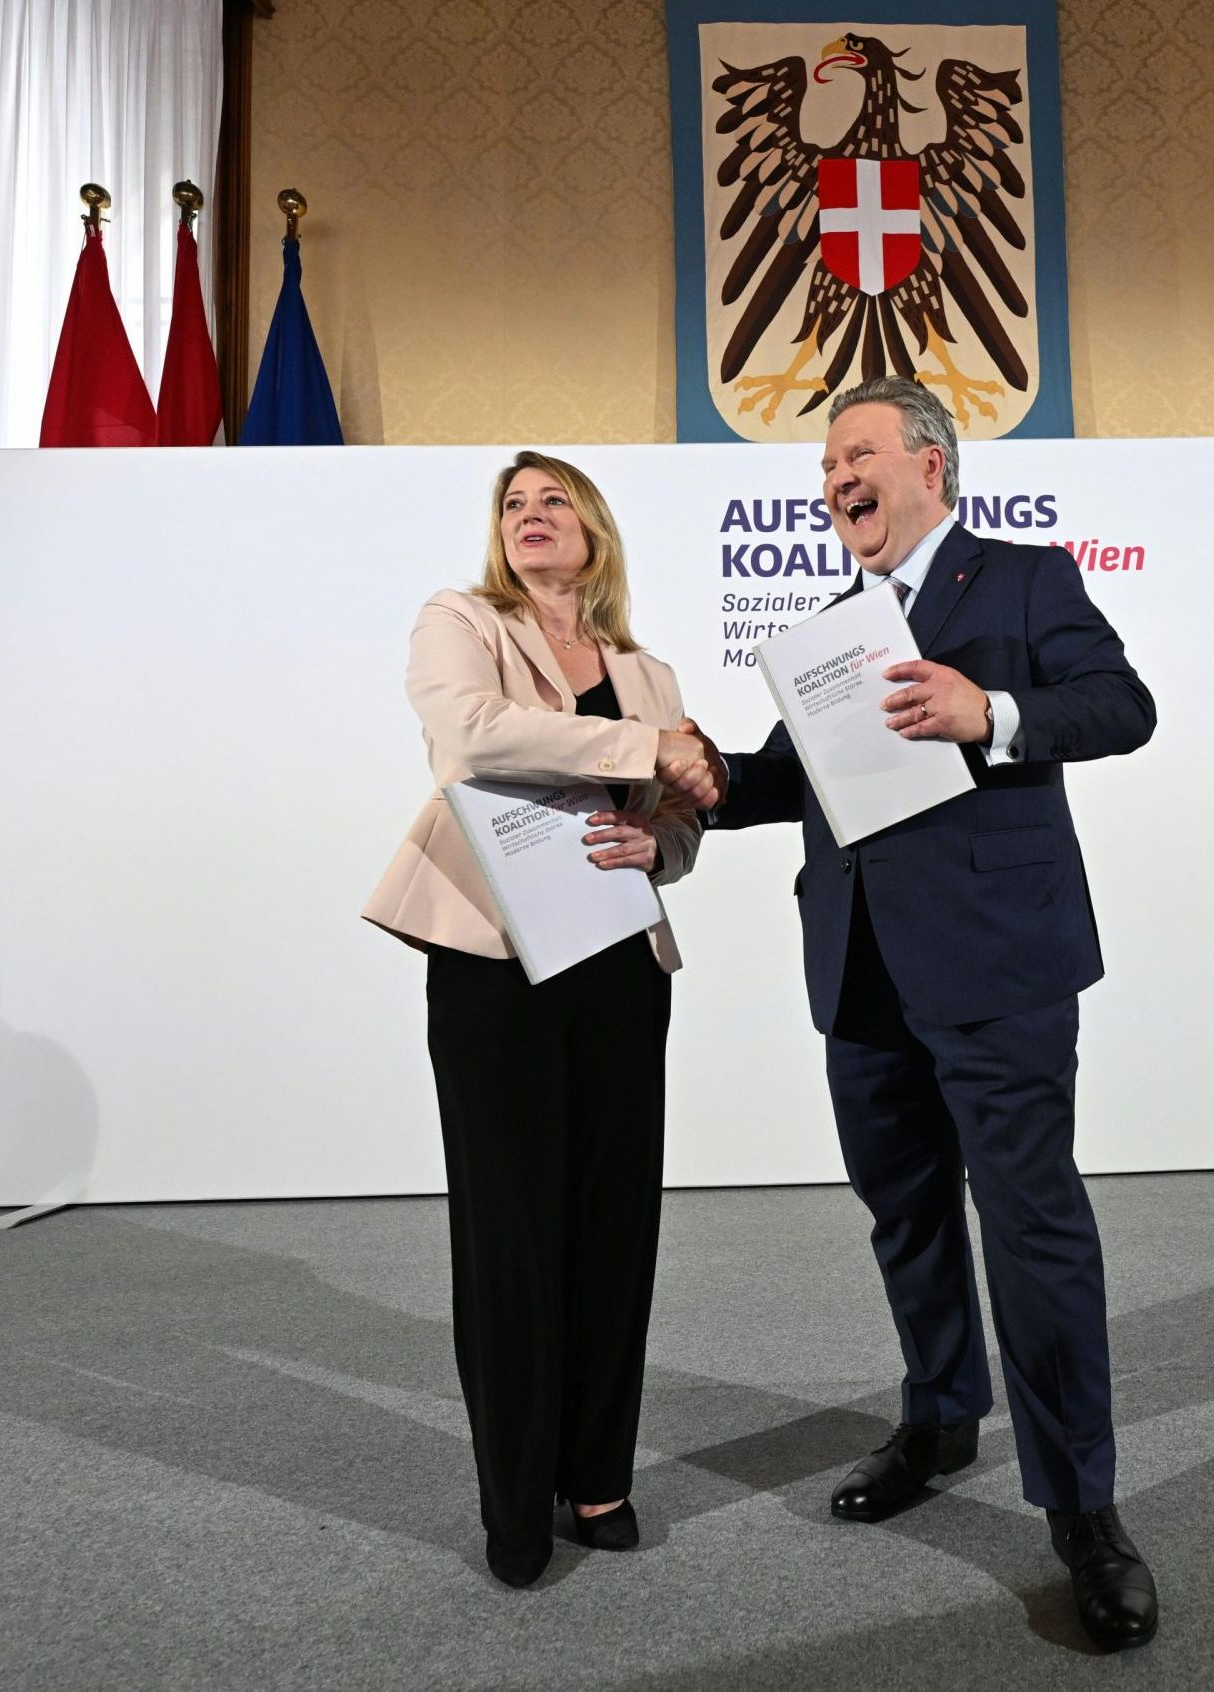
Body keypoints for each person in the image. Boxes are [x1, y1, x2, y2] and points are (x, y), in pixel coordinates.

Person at [687, 377, 1161, 1650]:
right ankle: (941, 1416)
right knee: (904, 1211)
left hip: (999, 964)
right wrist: (707, 777)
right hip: (861, 968)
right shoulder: (831, 626)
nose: (834, 478)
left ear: (931, 465)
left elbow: (1123, 707)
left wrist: (989, 712)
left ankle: (1082, 1510)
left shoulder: (1025, 581)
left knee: (1033, 1228)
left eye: (855, 453)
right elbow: (790, 780)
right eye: (824, 465)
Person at [363, 450, 720, 1589]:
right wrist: (644, 748)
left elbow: (679, 823)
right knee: (511, 1235)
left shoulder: (648, 672)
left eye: (554, 499)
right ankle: (515, 1497)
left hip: (619, 962)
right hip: (493, 964)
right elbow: (474, 735)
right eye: (513, 504)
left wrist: (655, 839)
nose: (531, 515)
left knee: (615, 1226)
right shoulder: (462, 621)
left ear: (594, 528)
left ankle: (598, 1474)